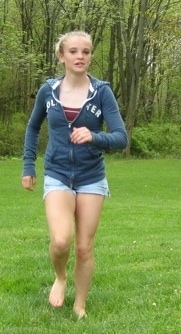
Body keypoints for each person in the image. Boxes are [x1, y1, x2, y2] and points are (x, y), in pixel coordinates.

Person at [21, 31, 128, 319]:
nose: (80, 56)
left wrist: (94, 136)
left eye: (86, 51)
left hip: (91, 176)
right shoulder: (48, 91)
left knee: (83, 247)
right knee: (60, 241)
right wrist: (28, 165)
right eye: (73, 52)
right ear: (61, 56)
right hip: (57, 172)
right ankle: (60, 276)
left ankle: (80, 304)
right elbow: (33, 128)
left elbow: (121, 138)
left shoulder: (102, 92)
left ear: (91, 55)